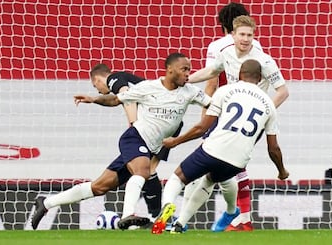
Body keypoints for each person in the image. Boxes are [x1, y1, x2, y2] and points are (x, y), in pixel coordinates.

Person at [31, 53, 211, 230]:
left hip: (149, 147)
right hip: (134, 138)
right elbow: (116, 99)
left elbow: (213, 105)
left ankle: (46, 202)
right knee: (143, 171)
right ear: (169, 70)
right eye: (184, 69)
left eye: (189, 69)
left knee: (99, 187)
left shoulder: (191, 92)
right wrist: (94, 99)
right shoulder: (148, 87)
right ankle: (127, 215)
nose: (188, 74)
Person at [151, 59, 289, 234]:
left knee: (178, 177)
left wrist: (175, 141)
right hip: (238, 162)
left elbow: (203, 127)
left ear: (239, 75)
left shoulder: (226, 91)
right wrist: (282, 171)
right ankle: (180, 224)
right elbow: (273, 148)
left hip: (213, 149)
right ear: (260, 77)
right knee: (209, 180)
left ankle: (167, 206)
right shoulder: (269, 105)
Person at [188, 14, 289, 231]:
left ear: (254, 36)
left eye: (250, 35)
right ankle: (240, 217)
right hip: (229, 115)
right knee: (229, 164)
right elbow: (212, 71)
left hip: (250, 119)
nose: (245, 39)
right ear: (232, 35)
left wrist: (263, 110)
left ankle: (239, 217)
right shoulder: (225, 53)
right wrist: (186, 80)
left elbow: (283, 91)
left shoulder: (263, 60)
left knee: (229, 162)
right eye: (242, 34)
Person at [89, 64, 184, 219]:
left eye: (95, 86)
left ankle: (156, 215)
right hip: (171, 121)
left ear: (98, 78)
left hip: (159, 124)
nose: (98, 90)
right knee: (149, 169)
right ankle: (158, 215)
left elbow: (127, 97)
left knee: (147, 170)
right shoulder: (134, 81)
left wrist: (133, 124)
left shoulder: (114, 78)